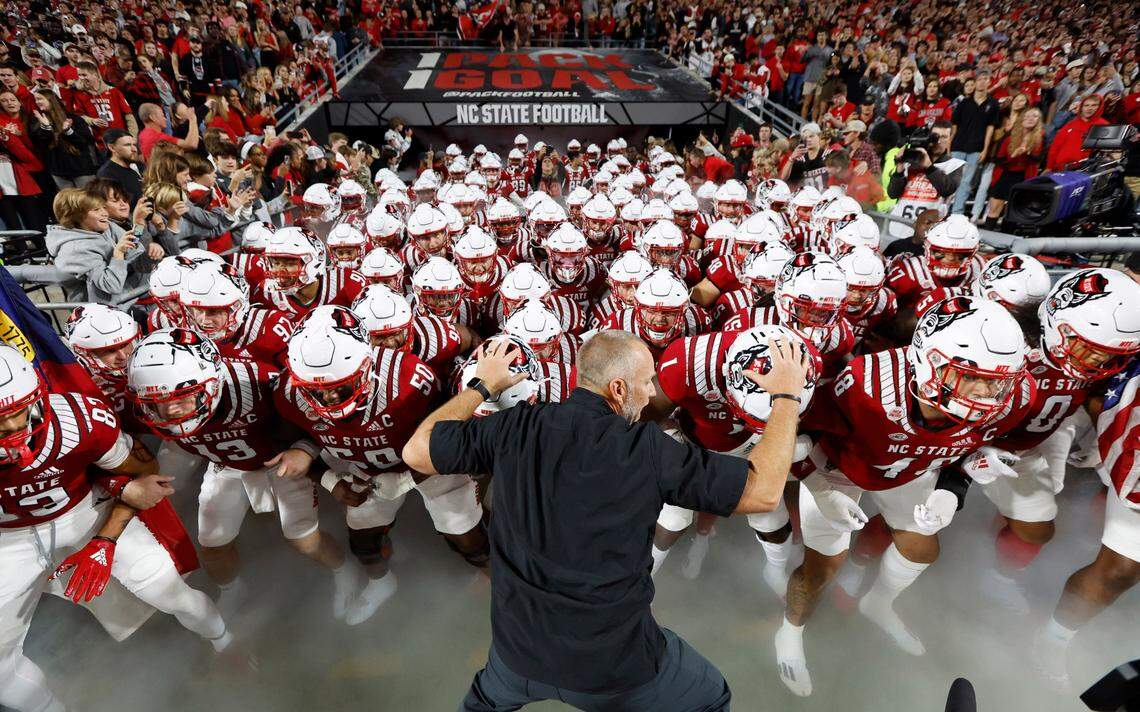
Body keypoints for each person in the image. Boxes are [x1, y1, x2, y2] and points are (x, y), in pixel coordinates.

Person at [403, 330, 813, 711]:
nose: (653, 391)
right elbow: (763, 492)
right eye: (647, 381)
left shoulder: (513, 427)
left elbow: (416, 451)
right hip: (614, 670)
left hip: (515, 659)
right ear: (618, 388)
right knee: (710, 697)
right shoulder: (648, 449)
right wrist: (786, 397)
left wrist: (483, 385)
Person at [949, 70, 1000, 215]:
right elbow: (954, 124)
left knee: (966, 182)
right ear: (975, 82)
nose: (982, 81)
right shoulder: (964, 102)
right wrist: (949, 144)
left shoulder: (993, 103)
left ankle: (956, 213)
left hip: (976, 148)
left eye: (986, 79)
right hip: (958, 145)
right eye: (980, 79)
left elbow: (991, 127)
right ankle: (942, 210)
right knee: (951, 180)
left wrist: (985, 149)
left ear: (990, 82)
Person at [27, 89, 98, 189]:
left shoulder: (74, 118)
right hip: (59, 172)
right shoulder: (37, 121)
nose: (37, 102)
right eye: (35, 99)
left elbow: (85, 143)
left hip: (82, 169)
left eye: (40, 99)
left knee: (88, 201)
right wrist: (46, 128)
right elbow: (40, 146)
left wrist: (68, 131)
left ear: (51, 99)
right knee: (68, 203)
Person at [96, 129, 144, 207]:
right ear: (112, 148)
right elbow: (117, 205)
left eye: (134, 145)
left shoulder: (137, 166)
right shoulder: (106, 174)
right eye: (127, 145)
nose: (134, 149)